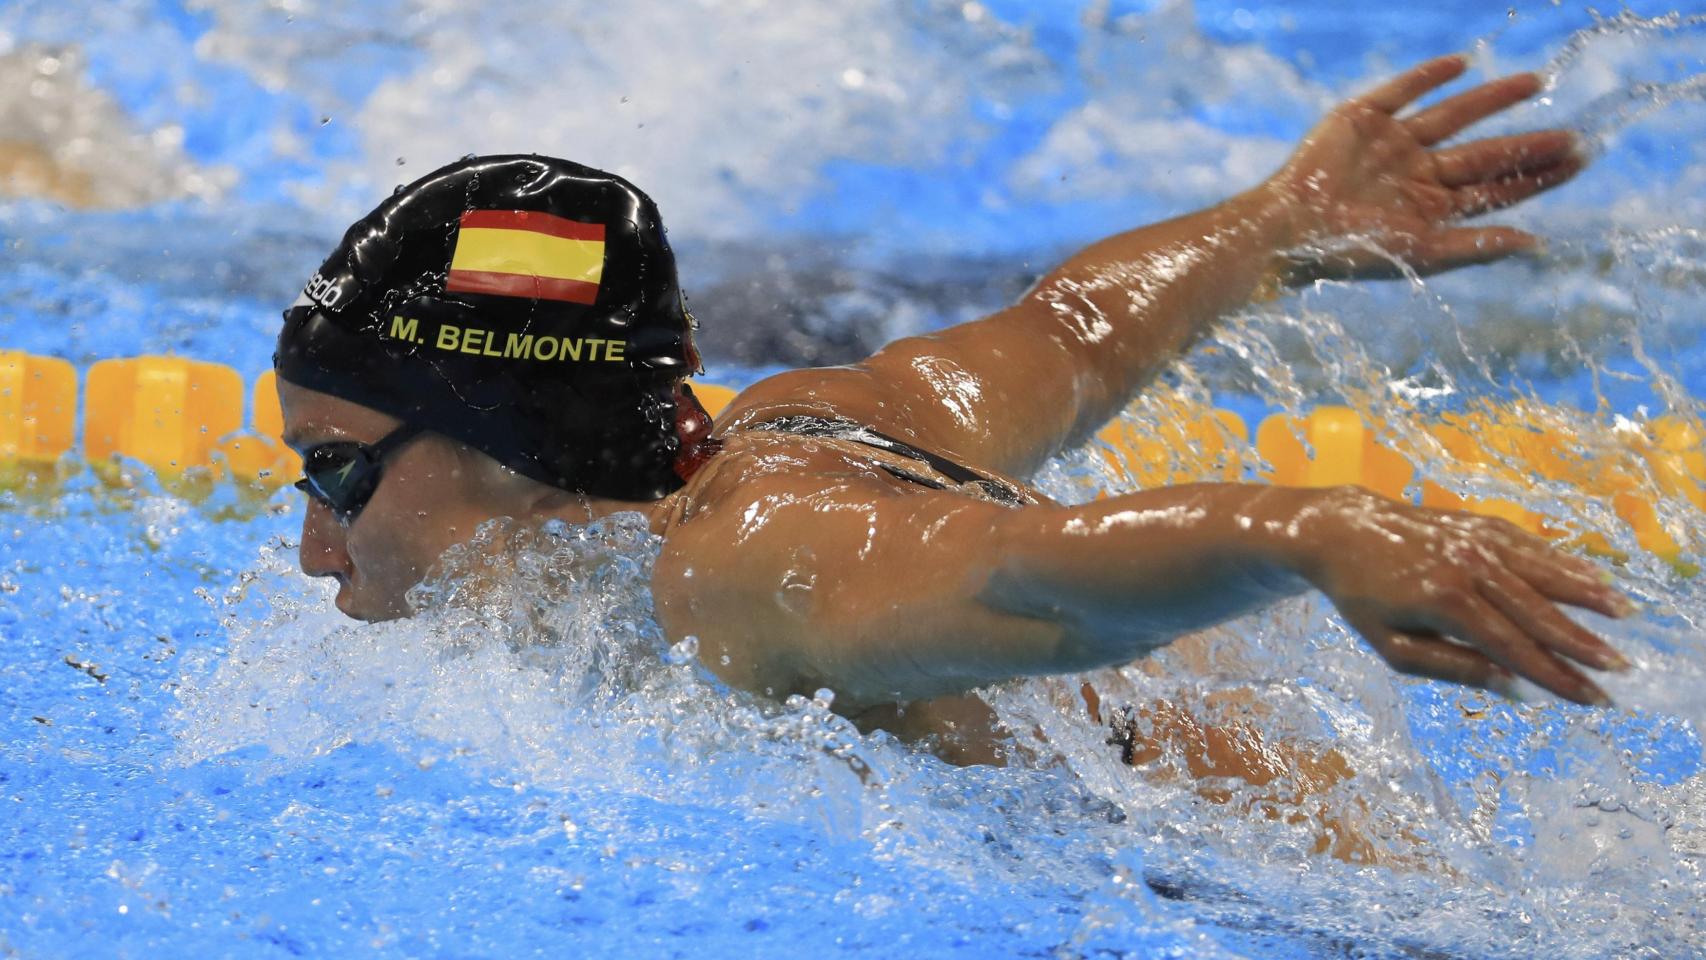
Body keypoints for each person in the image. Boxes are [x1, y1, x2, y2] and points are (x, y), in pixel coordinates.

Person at [277, 55, 1634, 770]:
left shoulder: (743, 568)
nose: (312, 550)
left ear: (508, 446)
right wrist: (1272, 223)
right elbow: (1072, 333)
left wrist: (1301, 532)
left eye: (337, 476)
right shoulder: (802, 420)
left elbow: (1029, 582)